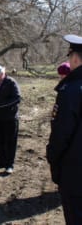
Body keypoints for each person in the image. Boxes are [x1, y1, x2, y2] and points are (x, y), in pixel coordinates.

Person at [47, 34, 82, 224]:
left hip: (74, 171)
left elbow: (61, 134)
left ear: (75, 58)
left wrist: (52, 157)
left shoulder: (70, 90)